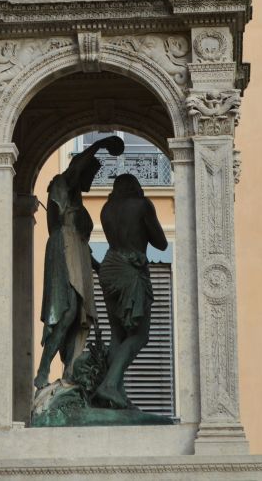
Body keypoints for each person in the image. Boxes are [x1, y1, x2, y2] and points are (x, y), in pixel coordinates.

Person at [34, 135, 124, 389]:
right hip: (64, 249)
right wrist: (100, 144)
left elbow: (83, 243)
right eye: (90, 175)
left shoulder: (76, 199)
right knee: (68, 310)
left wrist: (97, 266)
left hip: (79, 253)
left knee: (79, 316)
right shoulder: (64, 183)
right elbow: (76, 168)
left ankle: (70, 373)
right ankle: (43, 370)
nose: (91, 182)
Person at [94, 173, 168, 409]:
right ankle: (109, 385)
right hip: (130, 269)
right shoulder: (142, 205)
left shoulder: (106, 209)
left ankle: (116, 395)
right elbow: (161, 243)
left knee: (117, 334)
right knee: (139, 335)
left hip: (108, 268)